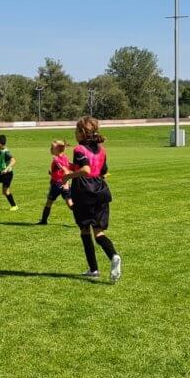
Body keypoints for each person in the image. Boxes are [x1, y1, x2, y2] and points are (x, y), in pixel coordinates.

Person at [62, 116, 121, 282]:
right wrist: (72, 167)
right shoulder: (102, 149)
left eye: (76, 131)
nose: (74, 134)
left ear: (82, 132)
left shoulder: (79, 149)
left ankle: (94, 269)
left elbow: (86, 170)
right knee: (99, 232)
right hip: (101, 191)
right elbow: (103, 171)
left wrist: (68, 177)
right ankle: (113, 256)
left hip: (84, 192)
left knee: (84, 230)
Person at [37, 140, 74, 224]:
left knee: (49, 202)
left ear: (57, 149)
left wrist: (65, 178)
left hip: (57, 184)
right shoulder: (65, 157)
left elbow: (65, 171)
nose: (50, 149)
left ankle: (43, 221)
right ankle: (85, 216)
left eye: (52, 148)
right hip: (65, 184)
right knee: (70, 204)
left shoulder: (56, 159)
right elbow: (64, 170)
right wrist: (53, 173)